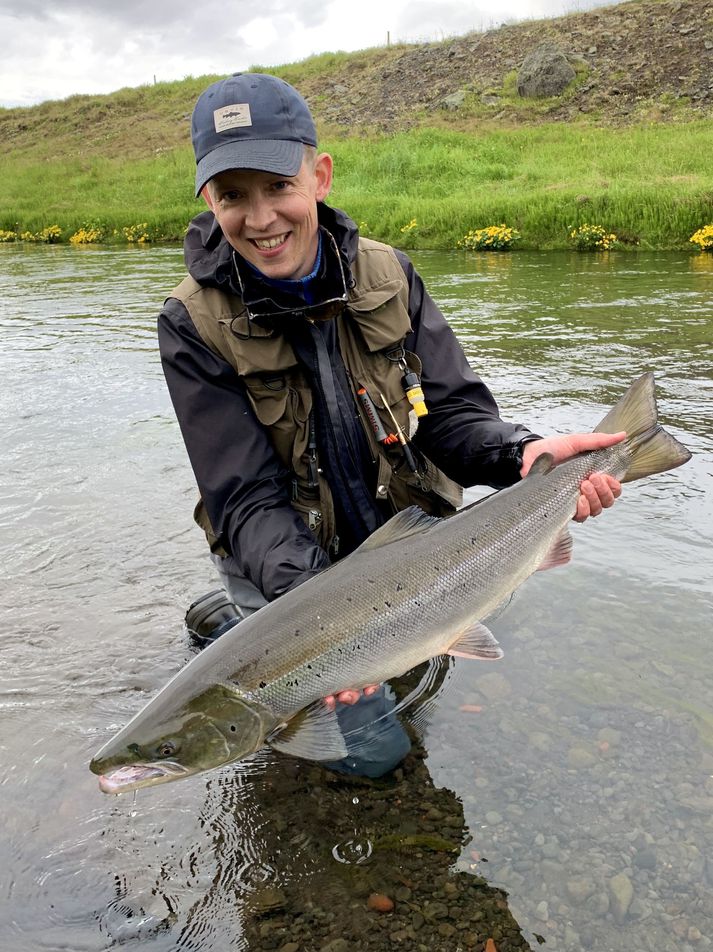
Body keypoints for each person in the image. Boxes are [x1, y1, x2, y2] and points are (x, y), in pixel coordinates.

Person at [157, 72, 622, 732]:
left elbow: (448, 416)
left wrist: (522, 454)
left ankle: (234, 624)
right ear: (207, 196)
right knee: (365, 750)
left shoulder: (388, 273)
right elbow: (245, 499)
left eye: (277, 187)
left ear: (318, 176)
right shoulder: (189, 321)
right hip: (289, 569)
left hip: (406, 548)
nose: (259, 218)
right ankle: (235, 620)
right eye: (233, 195)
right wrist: (320, 630)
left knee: (397, 690)